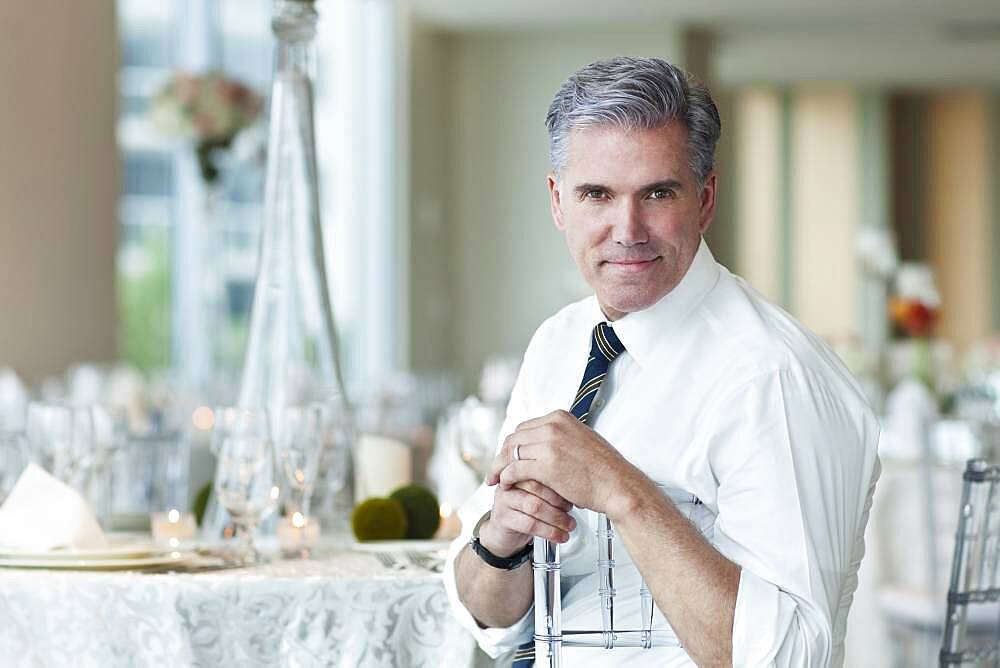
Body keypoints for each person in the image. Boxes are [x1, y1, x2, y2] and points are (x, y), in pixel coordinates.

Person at [443, 56, 880, 667]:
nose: (628, 229)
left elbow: (787, 658)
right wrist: (501, 542)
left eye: (657, 193)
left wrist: (624, 492)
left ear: (704, 200)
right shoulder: (559, 343)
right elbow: (486, 615)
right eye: (597, 194)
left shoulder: (772, 377)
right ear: (557, 202)